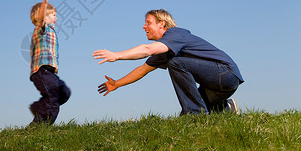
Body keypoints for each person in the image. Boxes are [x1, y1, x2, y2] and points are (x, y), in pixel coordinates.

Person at [93, 9, 244, 115]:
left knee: (176, 64)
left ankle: (196, 115)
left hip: (225, 74)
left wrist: (116, 55)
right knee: (185, 116)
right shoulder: (165, 50)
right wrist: (116, 84)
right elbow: (142, 69)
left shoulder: (175, 34)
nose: (144, 26)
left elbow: (147, 49)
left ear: (162, 24)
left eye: (148, 22)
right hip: (219, 86)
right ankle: (225, 108)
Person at [28, 0, 71, 125]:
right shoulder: (41, 29)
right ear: (45, 17)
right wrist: (45, 2)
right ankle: (40, 127)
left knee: (64, 93)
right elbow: (40, 19)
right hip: (42, 71)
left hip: (49, 72)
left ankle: (38, 107)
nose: (56, 18)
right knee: (53, 100)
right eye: (53, 15)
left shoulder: (50, 31)